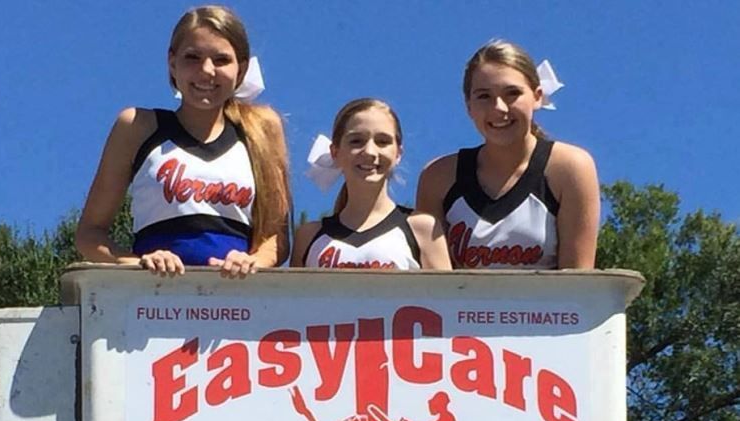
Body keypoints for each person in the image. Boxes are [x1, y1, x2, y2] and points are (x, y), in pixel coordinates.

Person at [76, 6, 290, 277]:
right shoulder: (136, 127)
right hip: (152, 302)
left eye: (222, 60)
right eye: (193, 57)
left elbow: (277, 237)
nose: (207, 71)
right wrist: (139, 262)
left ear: (242, 68)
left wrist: (252, 262)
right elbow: (89, 234)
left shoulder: (261, 129)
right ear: (172, 62)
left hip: (238, 302)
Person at [416, 41, 599, 270]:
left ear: (537, 96)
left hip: (546, 305)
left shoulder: (570, 168)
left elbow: (579, 286)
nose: (499, 108)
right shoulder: (439, 177)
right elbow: (431, 288)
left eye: (512, 93)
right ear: (468, 106)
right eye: (484, 96)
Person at [291, 98, 452, 271]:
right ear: (335, 152)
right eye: (356, 141)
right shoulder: (308, 237)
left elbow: (445, 297)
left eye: (382, 141)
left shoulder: (422, 229)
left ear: (398, 153)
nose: (369, 151)